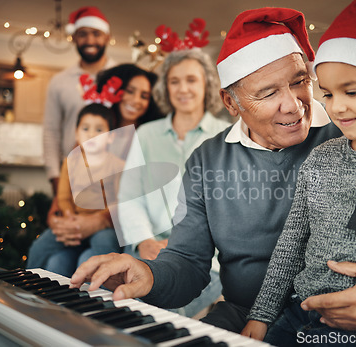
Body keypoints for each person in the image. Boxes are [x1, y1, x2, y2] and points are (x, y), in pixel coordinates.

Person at [70, 7, 356, 334]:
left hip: (351, 322)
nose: (295, 105)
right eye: (268, 93)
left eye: (300, 81)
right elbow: (189, 261)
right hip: (246, 314)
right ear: (231, 103)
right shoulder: (208, 159)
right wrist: (148, 274)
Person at [241, 1, 356, 345]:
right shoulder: (321, 159)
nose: (336, 107)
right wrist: (261, 314)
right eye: (327, 93)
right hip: (298, 315)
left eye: (352, 91)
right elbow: (291, 244)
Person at [117, 48, 230, 317]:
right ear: (165, 88)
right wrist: (144, 240)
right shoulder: (146, 134)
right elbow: (128, 195)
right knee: (122, 306)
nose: (183, 89)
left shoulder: (226, 137)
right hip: (148, 254)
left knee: (159, 314)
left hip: (206, 263)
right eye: (174, 81)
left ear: (208, 85)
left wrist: (187, 246)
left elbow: (232, 210)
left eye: (191, 80)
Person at [28, 96, 125, 277]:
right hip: (73, 222)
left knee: (104, 245)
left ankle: (107, 290)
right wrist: (70, 217)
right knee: (39, 247)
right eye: (85, 128)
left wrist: (95, 220)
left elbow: (117, 204)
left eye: (99, 130)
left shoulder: (117, 165)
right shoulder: (70, 163)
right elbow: (63, 197)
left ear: (111, 137)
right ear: (76, 133)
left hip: (103, 227)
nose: (91, 134)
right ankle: (26, 287)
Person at [43, 6, 116, 221]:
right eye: (82, 34)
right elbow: (51, 133)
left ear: (107, 37)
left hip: (110, 182)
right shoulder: (60, 81)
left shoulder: (121, 76)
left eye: (96, 33)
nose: (89, 40)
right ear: (74, 37)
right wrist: (58, 186)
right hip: (71, 179)